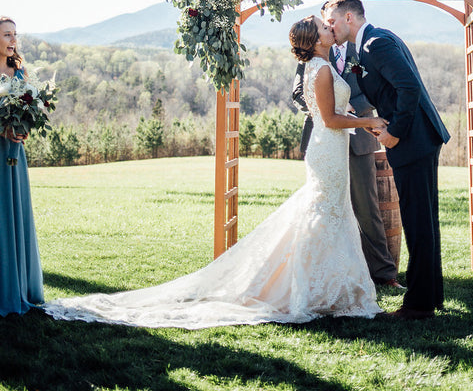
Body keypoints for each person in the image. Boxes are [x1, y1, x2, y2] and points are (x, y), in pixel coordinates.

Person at [43, 16, 383, 327]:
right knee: (324, 214)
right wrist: (367, 121)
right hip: (328, 148)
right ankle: (315, 290)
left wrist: (357, 119)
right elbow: (329, 119)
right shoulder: (321, 70)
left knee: (329, 213)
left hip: (332, 148)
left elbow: (335, 113)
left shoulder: (320, 67)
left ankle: (328, 288)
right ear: (316, 39)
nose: (329, 28)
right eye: (324, 27)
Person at [325, 0, 450, 321]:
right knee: (424, 220)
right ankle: (430, 296)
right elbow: (374, 83)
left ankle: (419, 306)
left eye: (333, 22)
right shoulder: (369, 44)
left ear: (349, 18)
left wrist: (395, 132)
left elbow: (409, 88)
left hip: (413, 139)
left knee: (417, 221)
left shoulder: (375, 44)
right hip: (419, 138)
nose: (330, 27)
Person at [292, 7, 401, 288]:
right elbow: (300, 94)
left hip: (358, 140)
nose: (330, 27)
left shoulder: (358, 48)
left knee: (368, 209)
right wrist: (331, 107)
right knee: (325, 208)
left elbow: (373, 86)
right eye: (325, 24)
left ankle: (384, 273)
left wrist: (356, 111)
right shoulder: (312, 61)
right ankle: (323, 275)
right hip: (327, 139)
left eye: (332, 22)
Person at [0, 16, 44, 317]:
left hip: (15, 149)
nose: (12, 39)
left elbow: (28, 107)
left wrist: (23, 128)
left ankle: (20, 286)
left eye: (14, 34)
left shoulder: (20, 70)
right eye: (6, 34)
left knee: (16, 210)